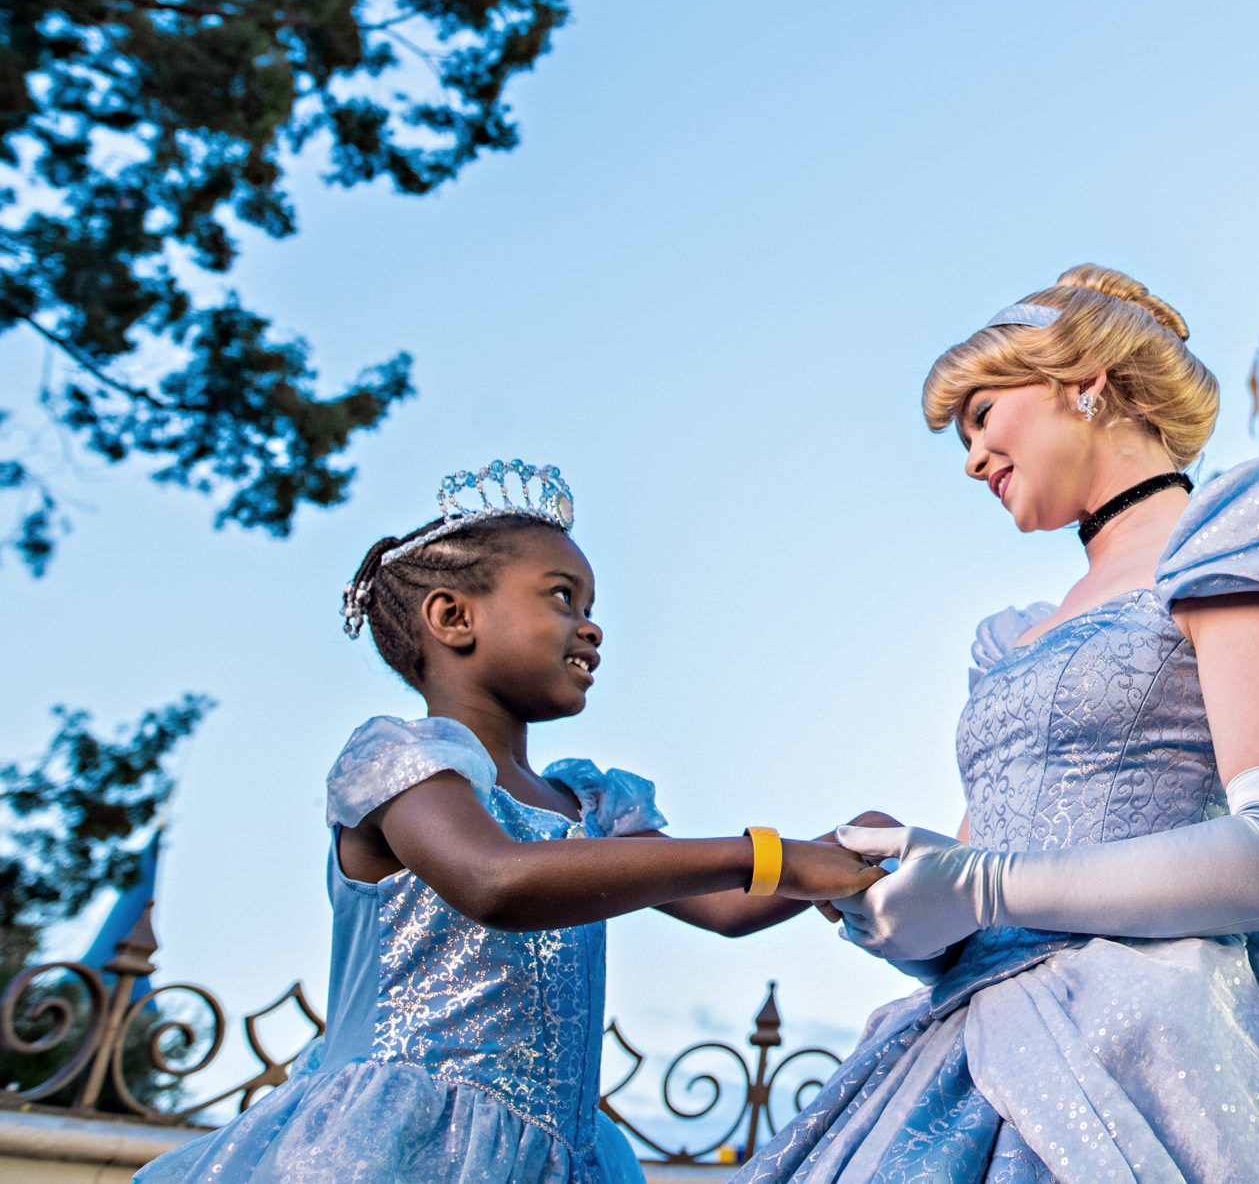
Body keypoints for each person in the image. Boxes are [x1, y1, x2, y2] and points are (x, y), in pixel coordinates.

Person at [743, 267, 1259, 1182]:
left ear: (1084, 380)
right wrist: (910, 896)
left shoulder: (1230, 539)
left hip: (1156, 1047)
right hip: (971, 1047)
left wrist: (982, 887)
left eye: (983, 416)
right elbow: (983, 880)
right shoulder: (1014, 636)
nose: (970, 458)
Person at [140, 461, 883, 1184]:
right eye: (564, 597)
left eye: (591, 607)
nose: (591, 628)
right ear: (452, 616)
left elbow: (726, 903)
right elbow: (493, 879)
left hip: (558, 1157)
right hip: (396, 1150)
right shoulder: (400, 763)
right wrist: (775, 856)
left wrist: (841, 847)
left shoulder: (590, 804)